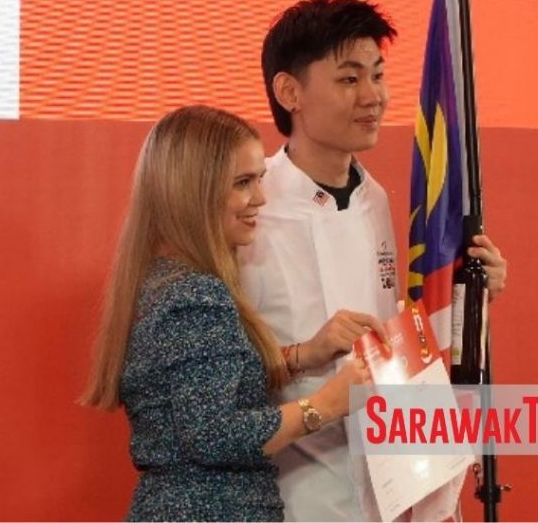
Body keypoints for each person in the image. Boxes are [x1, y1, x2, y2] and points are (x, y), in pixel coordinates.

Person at [238, 0, 509, 521]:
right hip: (286, 491)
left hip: (385, 486)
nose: (373, 96)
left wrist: (469, 296)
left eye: (378, 76)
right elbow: (218, 367)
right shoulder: (252, 204)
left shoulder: (379, 202)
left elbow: (401, 339)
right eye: (349, 79)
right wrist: (306, 353)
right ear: (290, 92)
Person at [81, 105, 371, 522]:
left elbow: (210, 387)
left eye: (259, 179)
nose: (260, 198)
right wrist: (326, 404)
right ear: (193, 192)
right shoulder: (196, 294)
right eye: (242, 183)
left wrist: (303, 355)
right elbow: (214, 435)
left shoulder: (166, 280)